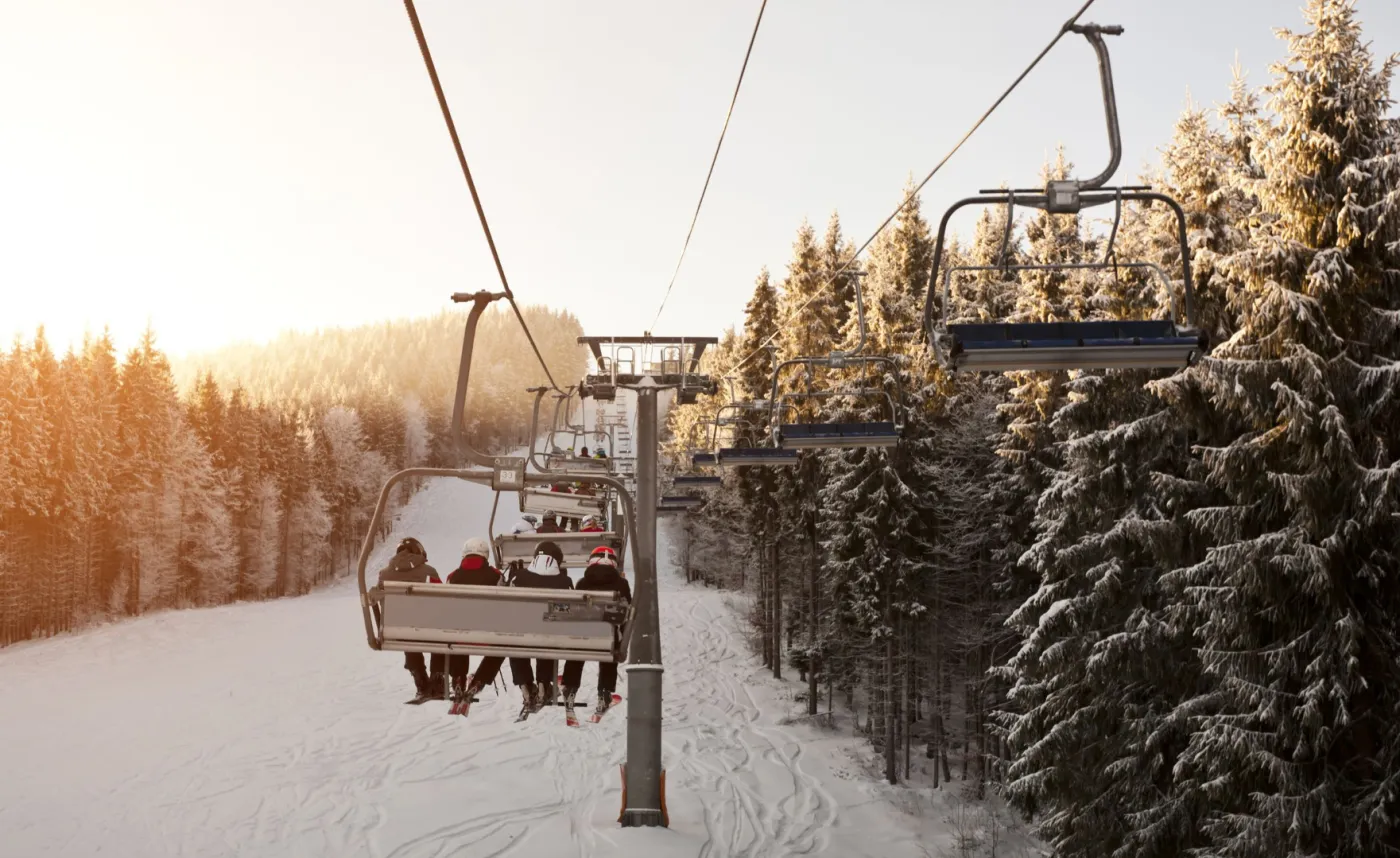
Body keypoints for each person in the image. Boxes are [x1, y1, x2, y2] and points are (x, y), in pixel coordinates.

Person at [561, 545, 631, 720]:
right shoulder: (621, 583)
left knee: (577, 648)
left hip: (583, 635)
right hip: (608, 638)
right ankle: (604, 694)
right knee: (611, 644)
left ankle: (570, 688)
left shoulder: (583, 583)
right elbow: (627, 612)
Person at [506, 541, 573, 714]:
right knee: (549, 632)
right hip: (549, 634)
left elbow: (506, 605)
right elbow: (568, 611)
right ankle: (544, 683)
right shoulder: (564, 581)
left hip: (521, 633)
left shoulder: (518, 577)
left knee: (515, 637)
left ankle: (525, 685)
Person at [376, 537, 445, 699]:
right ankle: (436, 680)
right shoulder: (429, 571)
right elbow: (442, 601)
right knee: (439, 632)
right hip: (427, 627)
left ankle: (420, 681)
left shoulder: (384, 574)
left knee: (407, 629)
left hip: (395, 629)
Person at [444, 537, 506, 713]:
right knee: (500, 649)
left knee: (457, 638)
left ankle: (458, 679)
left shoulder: (453, 576)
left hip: (460, 633)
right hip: (488, 634)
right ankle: (479, 681)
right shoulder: (496, 575)